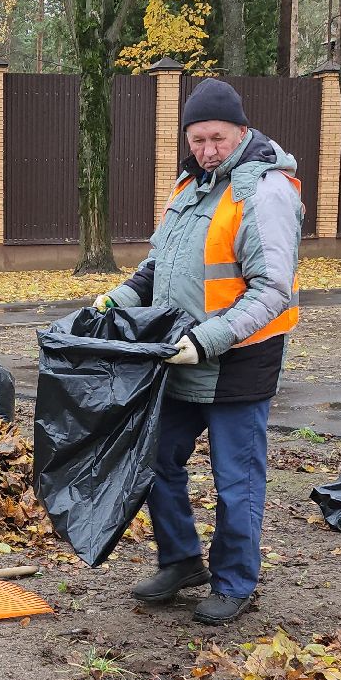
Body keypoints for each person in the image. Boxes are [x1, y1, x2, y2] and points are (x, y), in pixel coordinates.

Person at [94, 78, 303, 625]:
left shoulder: (265, 191)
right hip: (178, 356)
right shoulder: (188, 188)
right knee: (156, 460)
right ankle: (182, 560)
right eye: (197, 140)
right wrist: (118, 297)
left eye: (217, 138)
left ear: (241, 129)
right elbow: (160, 266)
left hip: (237, 360)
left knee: (236, 479)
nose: (208, 150)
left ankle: (236, 582)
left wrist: (207, 340)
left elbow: (272, 289)